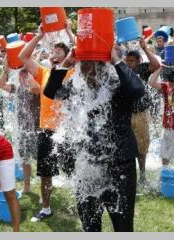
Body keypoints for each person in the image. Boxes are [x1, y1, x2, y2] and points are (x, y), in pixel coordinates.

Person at [49, 45, 145, 232]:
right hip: (88, 166)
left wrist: (116, 60)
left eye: (91, 67)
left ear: (103, 67)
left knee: (123, 227)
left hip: (120, 167)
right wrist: (66, 63)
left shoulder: (117, 85)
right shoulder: (78, 87)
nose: (87, 73)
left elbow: (137, 89)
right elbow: (51, 91)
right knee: (90, 226)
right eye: (82, 67)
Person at [18, 23, 75, 222]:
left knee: (74, 169)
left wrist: (68, 31)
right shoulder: (43, 72)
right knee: (45, 173)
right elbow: (23, 57)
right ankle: (46, 208)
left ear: (67, 56)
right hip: (46, 130)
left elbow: (80, 51)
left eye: (59, 52)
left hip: (67, 131)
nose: (55, 55)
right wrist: (39, 35)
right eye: (53, 52)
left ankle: (82, 202)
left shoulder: (71, 72)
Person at [0, 59, 40, 193]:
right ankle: (26, 186)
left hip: (37, 128)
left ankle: (45, 182)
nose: (22, 76)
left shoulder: (36, 86)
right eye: (21, 74)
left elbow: (35, 88)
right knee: (25, 159)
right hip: (23, 128)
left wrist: (28, 72)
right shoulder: (17, 88)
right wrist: (6, 69)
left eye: (25, 74)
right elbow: (1, 85)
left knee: (40, 158)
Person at [124, 38, 161, 185]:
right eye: (127, 60)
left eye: (131, 61)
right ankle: (129, 175)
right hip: (126, 115)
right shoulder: (122, 71)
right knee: (127, 145)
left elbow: (157, 65)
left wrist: (145, 49)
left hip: (141, 114)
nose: (128, 63)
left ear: (138, 61)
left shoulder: (143, 69)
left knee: (142, 145)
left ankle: (143, 176)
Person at [148, 65, 174, 166]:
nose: (171, 86)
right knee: (165, 154)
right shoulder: (166, 86)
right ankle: (165, 172)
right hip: (168, 126)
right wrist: (160, 68)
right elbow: (151, 83)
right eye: (171, 83)